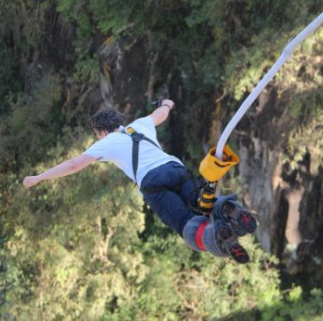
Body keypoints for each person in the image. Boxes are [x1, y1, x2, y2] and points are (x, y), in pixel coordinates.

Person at [22, 100, 256, 263]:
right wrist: (167, 103)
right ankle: (229, 209)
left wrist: (40, 177)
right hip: (176, 169)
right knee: (202, 201)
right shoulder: (140, 124)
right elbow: (161, 114)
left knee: (185, 223)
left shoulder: (106, 142)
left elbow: (73, 165)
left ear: (101, 132)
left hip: (154, 182)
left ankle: (217, 237)